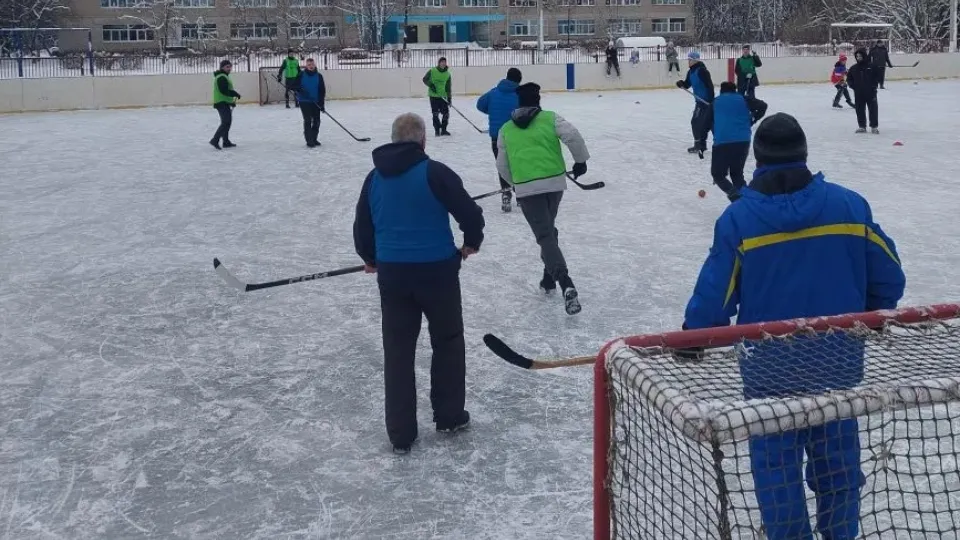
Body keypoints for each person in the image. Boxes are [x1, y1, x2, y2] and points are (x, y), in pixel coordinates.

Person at [682, 112, 905, 540]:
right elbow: (889, 277)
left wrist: (692, 337)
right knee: (838, 465)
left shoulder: (739, 220)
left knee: (776, 471)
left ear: (757, 158)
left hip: (769, 375)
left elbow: (715, 296)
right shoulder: (848, 205)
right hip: (837, 364)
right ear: (803, 153)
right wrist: (875, 313)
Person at [353, 112, 485, 455]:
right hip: (438, 272)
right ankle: (450, 414)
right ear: (423, 140)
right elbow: (470, 213)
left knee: (398, 352)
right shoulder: (435, 172)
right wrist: (471, 242)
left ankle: (400, 432)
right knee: (448, 342)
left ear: (394, 140)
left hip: (394, 275)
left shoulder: (373, 178)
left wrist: (370, 258)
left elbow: (362, 226)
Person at [496, 83, 590, 316]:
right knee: (548, 229)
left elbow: (501, 165)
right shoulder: (550, 118)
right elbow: (572, 135)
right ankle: (548, 278)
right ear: (538, 100)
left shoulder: (506, 129)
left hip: (527, 189)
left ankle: (564, 281)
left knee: (545, 234)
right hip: (554, 185)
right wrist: (580, 161)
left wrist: (515, 183)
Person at [710, 81, 767, 201]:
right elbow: (763, 106)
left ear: (721, 90)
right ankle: (748, 199)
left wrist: (700, 142)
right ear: (734, 90)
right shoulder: (744, 99)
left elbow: (705, 123)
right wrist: (752, 120)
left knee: (718, 175)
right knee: (737, 174)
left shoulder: (716, 101)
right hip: (743, 141)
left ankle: (735, 196)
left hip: (722, 142)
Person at [477, 67, 522, 213]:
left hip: (496, 137)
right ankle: (521, 195)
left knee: (502, 166)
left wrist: (491, 110)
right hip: (516, 136)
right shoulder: (520, 94)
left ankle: (506, 194)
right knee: (518, 164)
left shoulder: (494, 92)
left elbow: (480, 104)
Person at [676, 50, 715, 155]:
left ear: (695, 60)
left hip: (706, 102)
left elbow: (710, 86)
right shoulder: (691, 72)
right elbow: (687, 84)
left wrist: (711, 100)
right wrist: (681, 83)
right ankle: (700, 145)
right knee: (705, 123)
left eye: (690, 59)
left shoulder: (702, 71)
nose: (688, 61)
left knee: (699, 122)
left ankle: (701, 145)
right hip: (699, 101)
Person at [847, 48, 880, 134]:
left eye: (860, 56)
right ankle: (862, 126)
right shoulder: (853, 68)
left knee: (873, 110)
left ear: (864, 56)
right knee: (859, 110)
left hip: (871, 92)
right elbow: (849, 79)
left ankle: (874, 126)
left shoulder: (872, 66)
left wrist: (874, 86)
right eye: (857, 56)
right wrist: (854, 86)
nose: (858, 58)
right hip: (859, 93)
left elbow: (877, 77)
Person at [295, 58, 326, 148]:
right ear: (306, 66)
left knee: (317, 121)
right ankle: (309, 140)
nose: (311, 66)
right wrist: (300, 90)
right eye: (309, 65)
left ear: (315, 65)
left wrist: (322, 104)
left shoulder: (319, 76)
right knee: (308, 120)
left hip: (315, 101)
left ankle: (314, 138)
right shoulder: (301, 75)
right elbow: (293, 85)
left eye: (312, 64)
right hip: (304, 101)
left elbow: (322, 91)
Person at [210, 59, 241, 150]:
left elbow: (226, 90)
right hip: (221, 102)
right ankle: (215, 140)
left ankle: (226, 141)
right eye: (227, 67)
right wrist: (234, 94)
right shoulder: (222, 77)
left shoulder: (224, 76)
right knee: (226, 122)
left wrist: (231, 101)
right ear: (222, 67)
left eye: (230, 66)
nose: (229, 68)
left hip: (224, 102)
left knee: (227, 122)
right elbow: (223, 91)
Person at [422, 57, 452, 136]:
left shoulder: (448, 74)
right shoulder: (432, 71)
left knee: (446, 114)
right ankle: (437, 130)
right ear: (439, 63)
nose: (443, 63)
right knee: (435, 113)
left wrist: (449, 98)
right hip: (433, 96)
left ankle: (444, 130)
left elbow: (448, 87)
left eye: (444, 62)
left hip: (443, 96)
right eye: (442, 62)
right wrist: (431, 85)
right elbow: (425, 79)